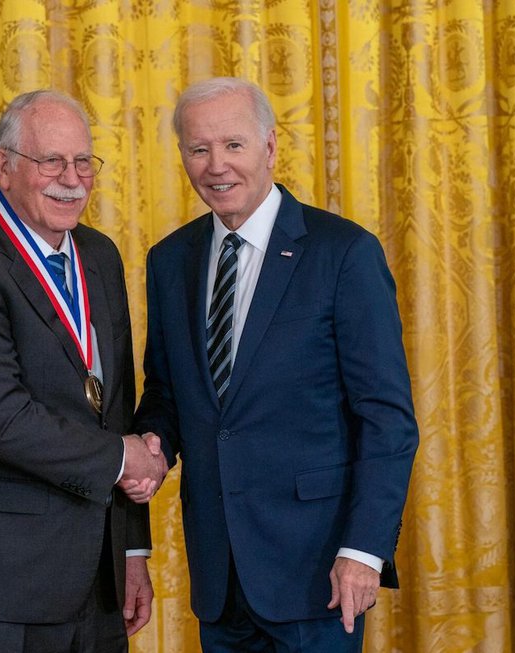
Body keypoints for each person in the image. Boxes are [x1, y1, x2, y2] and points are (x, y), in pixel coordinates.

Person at [131, 77, 419, 651]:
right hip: (220, 573)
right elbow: (167, 390)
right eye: (199, 149)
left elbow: (387, 417)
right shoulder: (170, 261)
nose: (217, 166)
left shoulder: (343, 253)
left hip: (320, 572)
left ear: (270, 147)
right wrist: (149, 448)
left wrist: (363, 551)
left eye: (233, 145)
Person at [0, 89, 167, 653]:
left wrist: (130, 552)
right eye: (51, 160)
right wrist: (126, 458)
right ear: (4, 167)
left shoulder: (99, 256)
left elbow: (116, 404)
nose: (71, 178)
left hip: (99, 576)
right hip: (3, 582)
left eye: (83, 162)